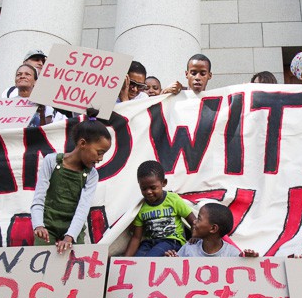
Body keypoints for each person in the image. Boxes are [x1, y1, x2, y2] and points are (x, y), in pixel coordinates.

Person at [31, 109, 112, 253]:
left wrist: (70, 236)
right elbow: (39, 198)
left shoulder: (92, 174)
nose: (100, 158)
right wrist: (38, 225)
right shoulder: (51, 161)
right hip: (47, 225)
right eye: (99, 153)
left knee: (75, 267)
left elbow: (83, 208)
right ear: (82, 143)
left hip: (73, 228)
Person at [123, 160, 196, 257]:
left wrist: (195, 237)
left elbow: (193, 221)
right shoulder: (141, 206)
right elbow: (136, 237)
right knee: (137, 260)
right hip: (149, 243)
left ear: (163, 183)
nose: (148, 192)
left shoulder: (173, 199)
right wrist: (125, 260)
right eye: (144, 189)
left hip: (171, 241)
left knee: (150, 258)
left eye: (153, 188)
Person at [165, 203, 259, 258]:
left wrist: (249, 262)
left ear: (213, 228)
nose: (194, 221)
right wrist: (173, 262)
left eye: (199, 219)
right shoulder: (189, 249)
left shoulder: (232, 254)